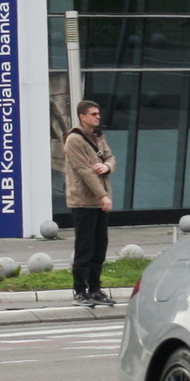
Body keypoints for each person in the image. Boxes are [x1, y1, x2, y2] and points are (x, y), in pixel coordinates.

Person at [62, 99, 115, 304]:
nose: (98, 117)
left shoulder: (98, 136)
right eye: (93, 114)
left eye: (98, 113)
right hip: (83, 201)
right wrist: (103, 195)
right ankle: (79, 290)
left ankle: (95, 289)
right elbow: (85, 171)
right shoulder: (74, 140)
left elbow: (110, 158)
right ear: (82, 116)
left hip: (100, 202)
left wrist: (107, 167)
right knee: (85, 247)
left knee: (100, 246)